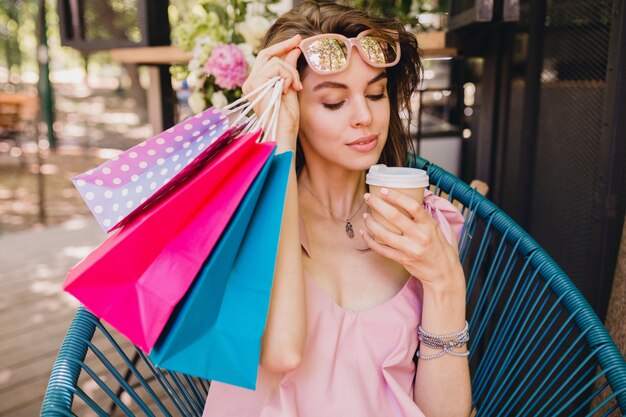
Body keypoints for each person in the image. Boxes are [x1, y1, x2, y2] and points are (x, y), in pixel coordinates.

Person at [203, 1, 472, 416]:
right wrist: (279, 134)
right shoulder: (249, 221)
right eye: (333, 102)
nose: (365, 116)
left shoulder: (420, 224)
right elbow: (282, 353)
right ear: (294, 108)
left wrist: (444, 283)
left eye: (376, 93)